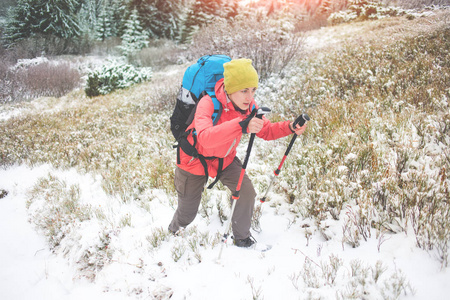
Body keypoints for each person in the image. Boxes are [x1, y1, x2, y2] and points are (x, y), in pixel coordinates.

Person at [168, 58, 307, 247]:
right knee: (187, 212)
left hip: (224, 159)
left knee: (246, 192)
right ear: (229, 88)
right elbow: (205, 138)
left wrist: (290, 127)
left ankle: (242, 238)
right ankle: (174, 232)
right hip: (193, 159)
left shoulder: (249, 106)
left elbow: (265, 130)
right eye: (244, 90)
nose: (249, 97)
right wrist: (241, 125)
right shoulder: (208, 103)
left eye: (253, 90)